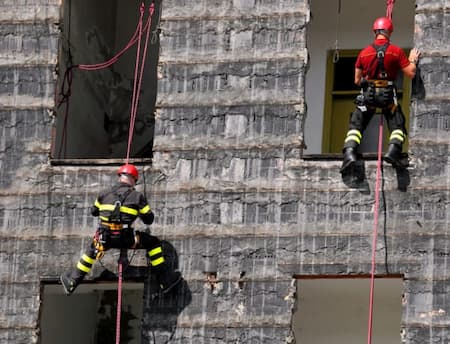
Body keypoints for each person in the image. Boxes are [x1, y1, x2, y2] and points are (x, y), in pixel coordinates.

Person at [60, 163, 181, 295]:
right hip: (127, 239)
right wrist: (136, 211)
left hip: (105, 238)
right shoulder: (137, 196)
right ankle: (165, 281)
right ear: (134, 179)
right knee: (153, 243)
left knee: (92, 250)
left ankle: (72, 281)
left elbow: (94, 211)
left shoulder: (103, 194)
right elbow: (149, 220)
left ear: (120, 177)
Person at [340, 17, 421, 173]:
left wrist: (369, 80)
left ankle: (349, 153)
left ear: (375, 31)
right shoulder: (396, 51)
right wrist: (412, 60)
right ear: (389, 31)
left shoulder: (364, 53)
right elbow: (411, 73)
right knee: (397, 123)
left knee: (356, 124)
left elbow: (357, 80)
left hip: (368, 95)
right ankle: (393, 151)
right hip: (388, 95)